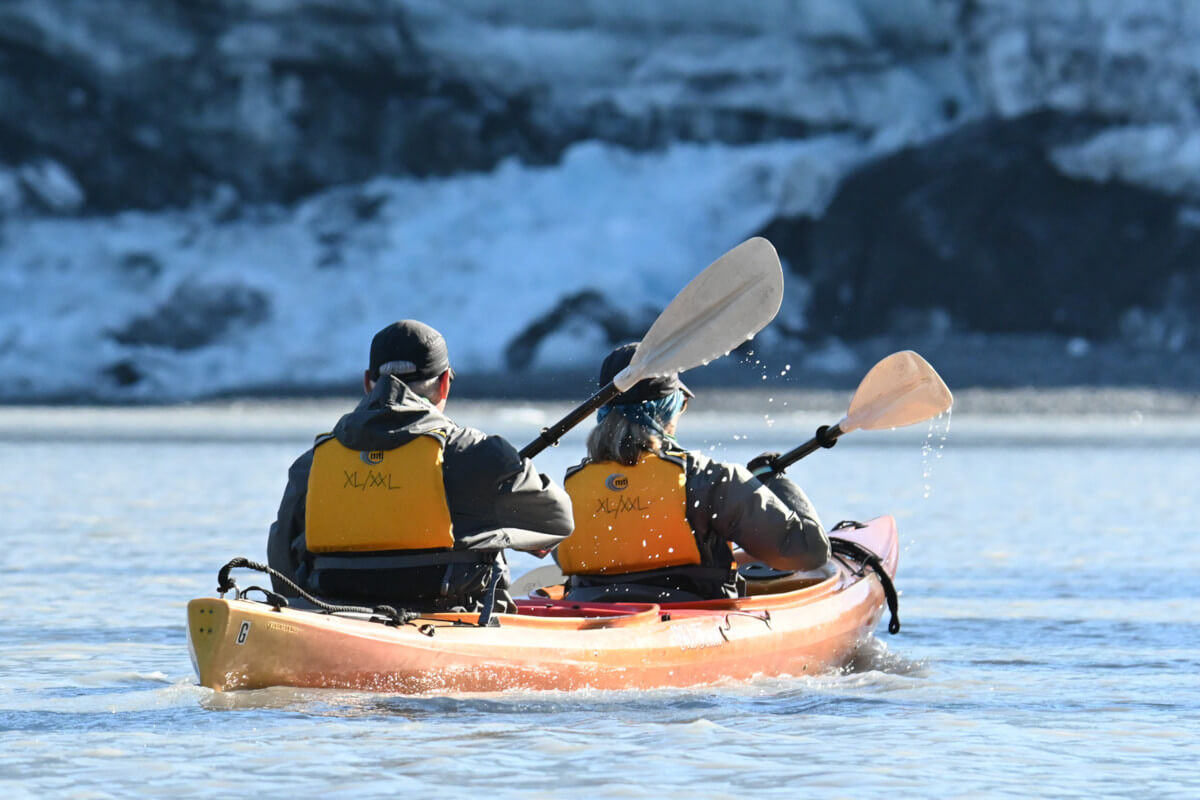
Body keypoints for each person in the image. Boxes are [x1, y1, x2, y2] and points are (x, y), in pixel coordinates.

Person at [266, 320, 574, 613]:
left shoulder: (313, 463)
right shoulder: (478, 454)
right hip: (450, 617)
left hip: (338, 616)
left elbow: (283, 558)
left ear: (367, 384)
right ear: (444, 384)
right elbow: (558, 520)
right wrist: (501, 530)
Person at [556, 343, 829, 602]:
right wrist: (771, 480)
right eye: (681, 403)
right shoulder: (710, 481)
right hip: (692, 619)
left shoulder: (570, 491)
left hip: (589, 616)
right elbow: (808, 551)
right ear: (669, 409)